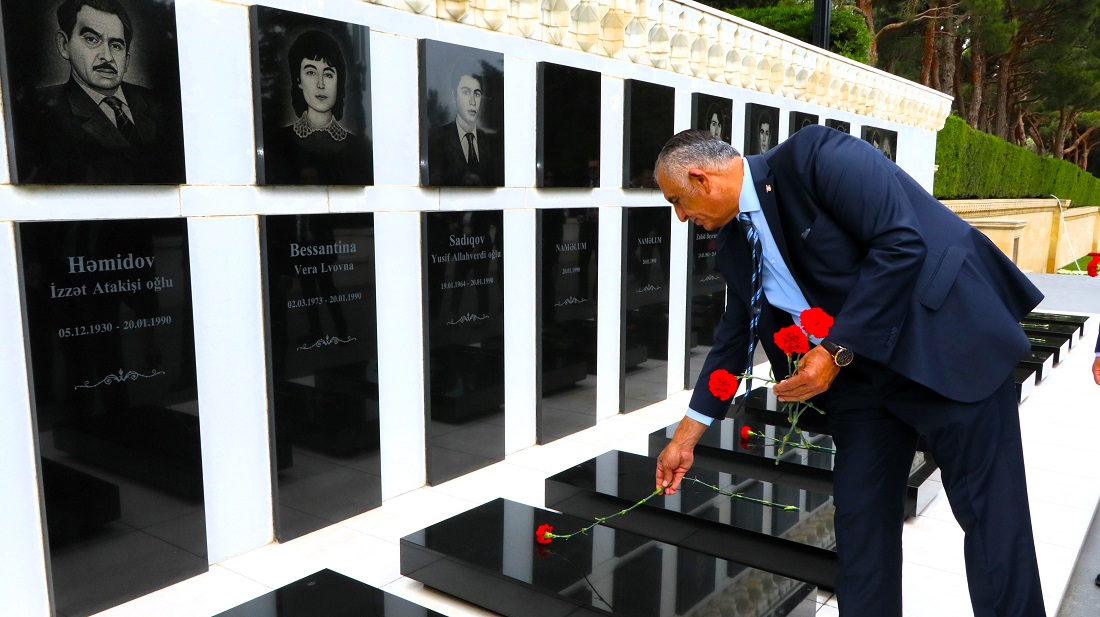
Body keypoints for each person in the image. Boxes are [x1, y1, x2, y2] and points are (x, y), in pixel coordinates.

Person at [653, 127, 1046, 617]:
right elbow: (736, 337)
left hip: (943, 346)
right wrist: (688, 434)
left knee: (992, 518)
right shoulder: (735, 244)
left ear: (701, 177)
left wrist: (832, 350)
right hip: (860, 385)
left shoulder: (817, 156)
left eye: (678, 201)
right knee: (861, 522)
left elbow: (900, 243)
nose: (683, 216)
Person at [26, 0, 181, 183]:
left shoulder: (159, 104)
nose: (107, 57)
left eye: (116, 45)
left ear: (127, 59)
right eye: (92, 39)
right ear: (64, 45)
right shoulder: (38, 112)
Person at [264, 29, 373, 185]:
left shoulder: (358, 147)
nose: (320, 84)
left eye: (328, 74)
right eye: (310, 72)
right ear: (298, 79)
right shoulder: (278, 142)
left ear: (338, 80)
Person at [426, 68, 502, 187]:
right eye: (466, 92)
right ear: (454, 96)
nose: (472, 102)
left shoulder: (493, 143)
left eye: (477, 94)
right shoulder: (436, 139)